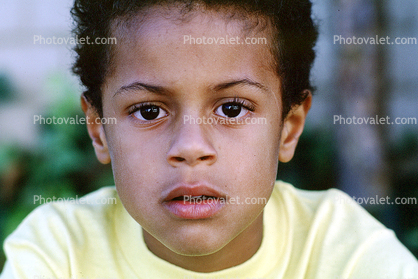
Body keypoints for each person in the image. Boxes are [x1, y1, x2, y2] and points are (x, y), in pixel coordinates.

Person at [1, 0, 418, 278]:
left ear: (287, 129)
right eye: (149, 111)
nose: (190, 147)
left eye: (232, 109)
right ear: (100, 130)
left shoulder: (346, 255)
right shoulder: (61, 254)